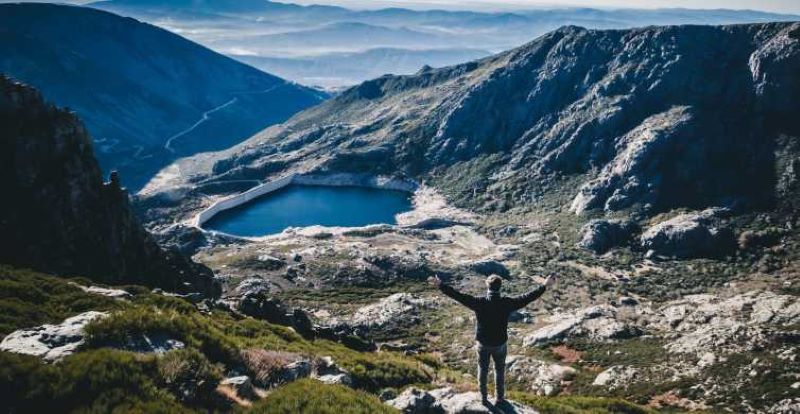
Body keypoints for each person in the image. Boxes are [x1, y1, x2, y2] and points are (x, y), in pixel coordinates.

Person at [429, 273, 556, 406]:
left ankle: (483, 398)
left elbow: (458, 296)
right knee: (499, 371)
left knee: (482, 370)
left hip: (483, 343)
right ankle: (499, 398)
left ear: (487, 285)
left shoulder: (479, 302)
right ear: (500, 287)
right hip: (499, 344)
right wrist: (544, 286)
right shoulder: (507, 303)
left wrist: (441, 285)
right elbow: (527, 297)